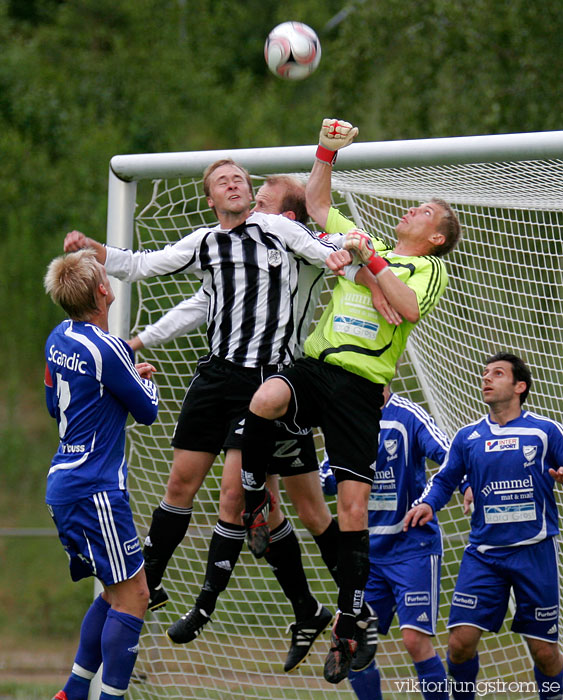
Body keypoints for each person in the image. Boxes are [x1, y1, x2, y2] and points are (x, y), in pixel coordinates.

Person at [63, 162, 357, 673]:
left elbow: (320, 248)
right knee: (181, 482)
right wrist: (94, 248)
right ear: (210, 200)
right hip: (216, 377)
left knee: (245, 497)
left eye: (241, 178)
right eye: (223, 180)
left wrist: (341, 255)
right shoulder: (203, 244)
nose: (235, 183)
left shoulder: (277, 229)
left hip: (267, 382)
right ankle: (151, 580)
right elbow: (143, 265)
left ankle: (218, 604)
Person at [240, 118, 462, 684]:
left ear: (436, 236)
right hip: (318, 369)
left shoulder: (426, 267)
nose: (410, 211)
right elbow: (316, 204)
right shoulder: (370, 247)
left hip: (362, 391)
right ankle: (259, 504)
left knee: (352, 511)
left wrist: (369, 263)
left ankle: (348, 622)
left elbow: (408, 307)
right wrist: (326, 153)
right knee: (263, 399)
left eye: (423, 213)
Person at [404, 352, 563, 700]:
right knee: (459, 644)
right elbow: (445, 479)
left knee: (545, 652)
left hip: (534, 552)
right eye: (485, 373)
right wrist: (428, 504)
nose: (486, 378)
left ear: (520, 386)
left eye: (498, 373)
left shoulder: (545, 431)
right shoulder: (468, 437)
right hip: (485, 555)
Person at [43, 249, 159, 700]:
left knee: (115, 592)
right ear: (104, 290)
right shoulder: (110, 348)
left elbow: (56, 405)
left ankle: (72, 691)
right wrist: (142, 379)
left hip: (65, 482)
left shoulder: (58, 337)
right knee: (135, 596)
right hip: (96, 490)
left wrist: (117, 382)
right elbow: (147, 410)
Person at [321, 384, 452, 700]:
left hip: (412, 548)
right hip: (366, 554)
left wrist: (436, 496)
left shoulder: (408, 415)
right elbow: (325, 479)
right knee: (349, 639)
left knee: (414, 640)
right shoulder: (346, 418)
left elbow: (450, 456)